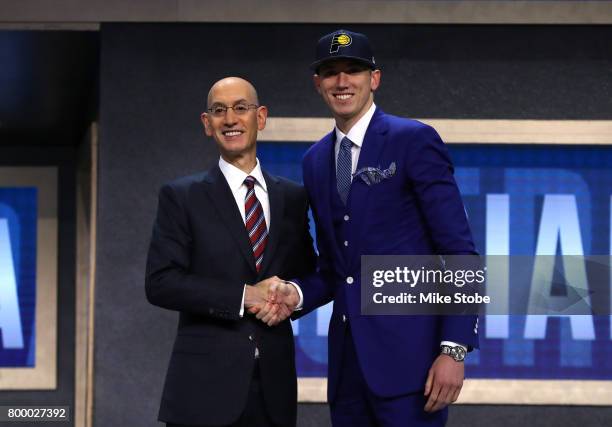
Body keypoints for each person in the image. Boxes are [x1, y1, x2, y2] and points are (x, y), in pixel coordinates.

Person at [254, 29, 480, 426]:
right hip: (347, 371)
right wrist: (296, 292)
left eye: (353, 70)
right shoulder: (315, 160)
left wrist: (454, 348)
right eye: (331, 72)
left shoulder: (413, 140)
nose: (342, 82)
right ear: (318, 84)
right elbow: (335, 270)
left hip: (414, 368)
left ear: (374, 78)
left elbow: (459, 251)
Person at [145, 76, 316, 427]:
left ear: (261, 117)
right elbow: (161, 282)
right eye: (219, 111)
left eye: (241, 108)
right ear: (207, 125)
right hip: (202, 391)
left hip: (273, 391)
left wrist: (292, 294)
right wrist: (244, 296)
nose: (230, 119)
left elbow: (309, 272)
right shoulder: (182, 196)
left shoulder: (293, 197)